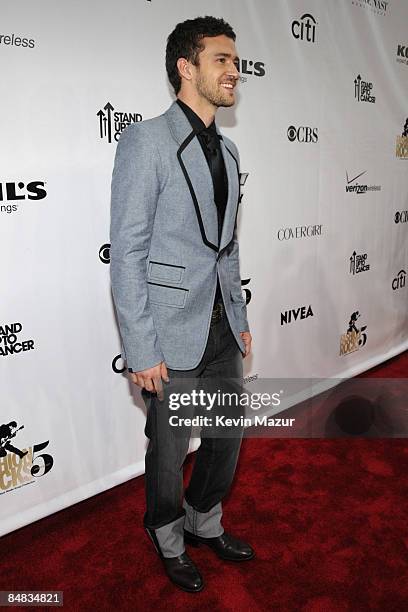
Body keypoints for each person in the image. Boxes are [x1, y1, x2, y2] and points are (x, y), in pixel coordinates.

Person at [110, 16, 253, 592]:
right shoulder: (146, 141)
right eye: (221, 59)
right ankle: (166, 535)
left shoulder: (233, 151)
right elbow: (127, 253)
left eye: (235, 60)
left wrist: (239, 320)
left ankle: (204, 520)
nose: (234, 70)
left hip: (220, 323)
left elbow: (229, 247)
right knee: (169, 448)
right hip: (168, 330)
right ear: (185, 68)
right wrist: (140, 347)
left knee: (226, 434)